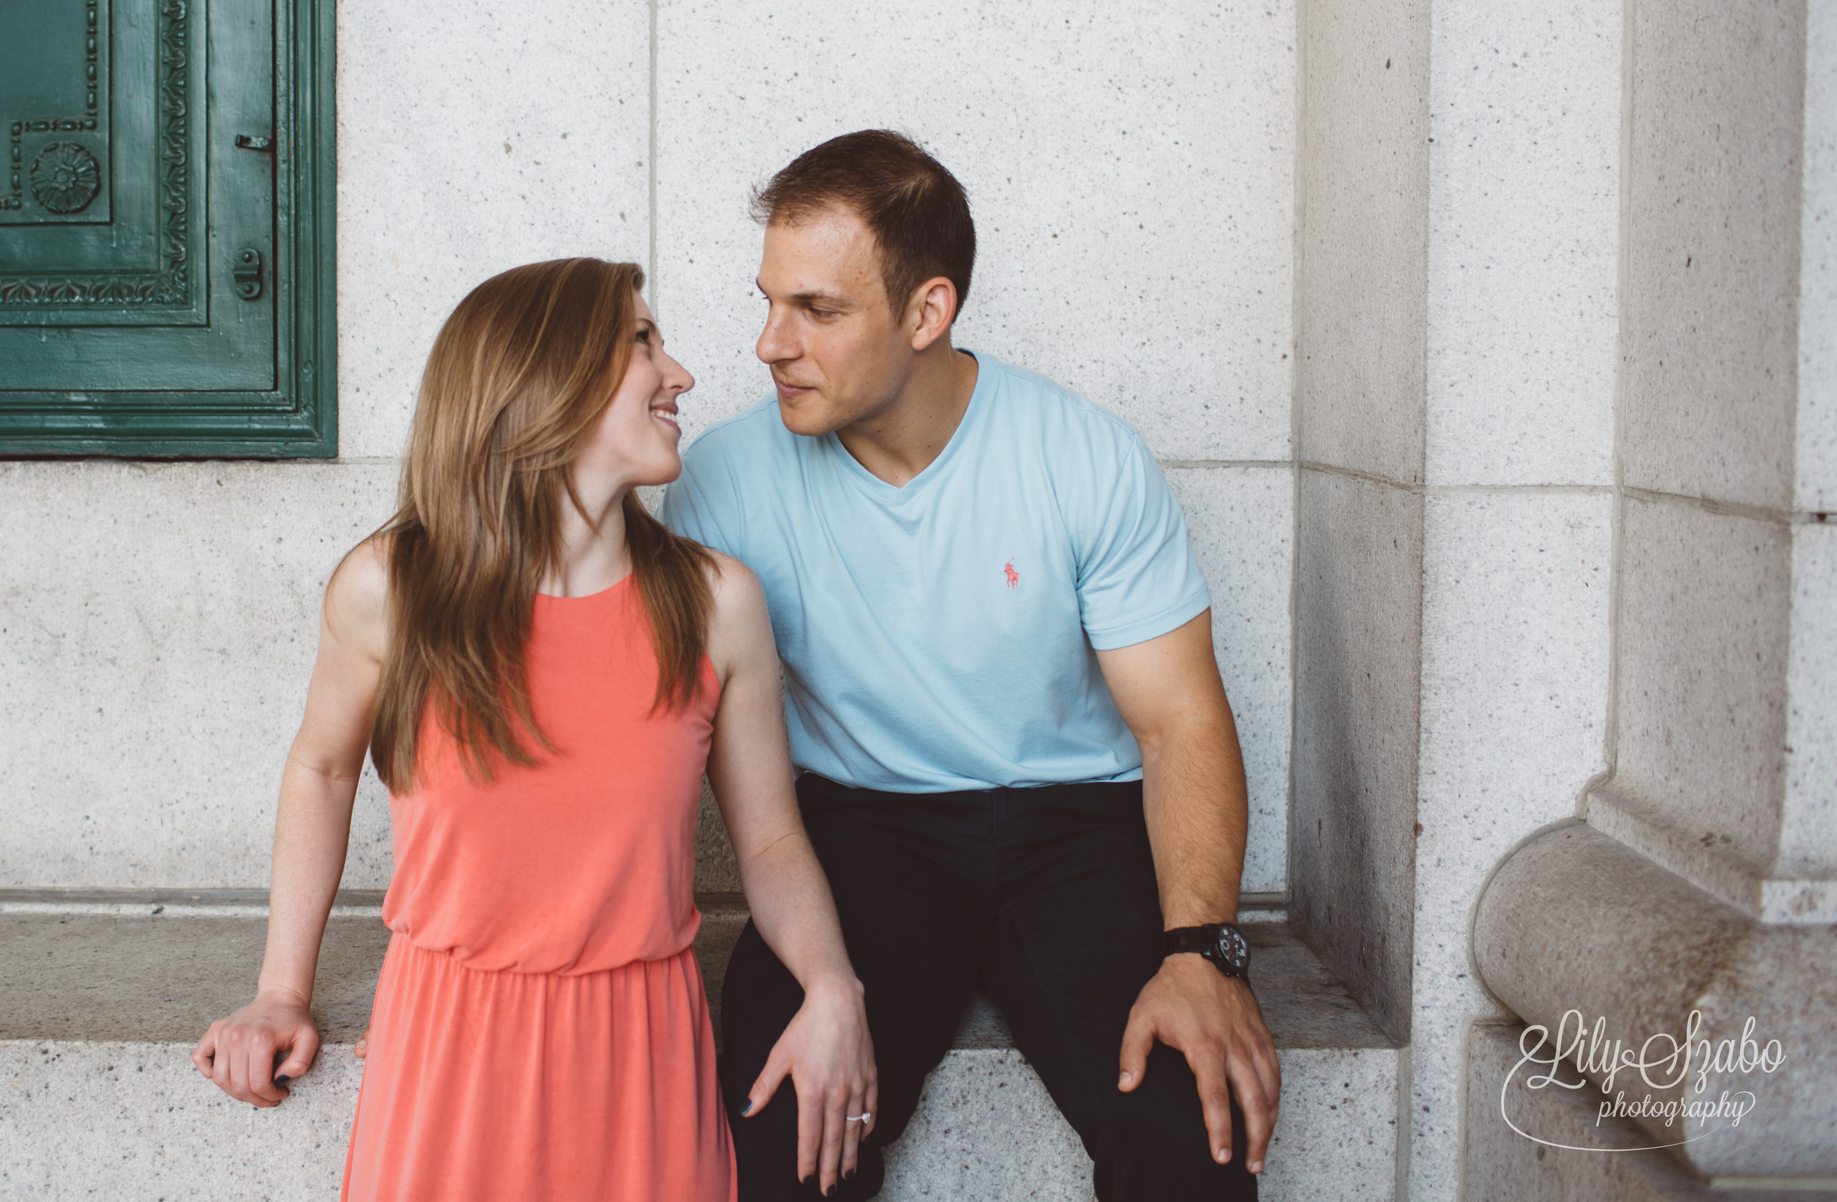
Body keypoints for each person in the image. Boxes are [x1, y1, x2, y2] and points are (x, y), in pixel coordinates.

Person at [661, 131, 1282, 1201]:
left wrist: (1201, 950)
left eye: (818, 309)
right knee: (777, 1143)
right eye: (767, 301)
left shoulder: (1082, 455)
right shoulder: (722, 480)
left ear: (926, 311)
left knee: (1193, 1137)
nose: (769, 343)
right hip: (862, 832)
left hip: (1078, 825)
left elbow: (1179, 720)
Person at [195, 258, 878, 1201]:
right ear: (545, 375)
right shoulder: (389, 590)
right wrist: (281, 990)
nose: (680, 373)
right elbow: (320, 769)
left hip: (641, 1057)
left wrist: (833, 985)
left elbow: (769, 836)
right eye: (643, 340)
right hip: (448, 1052)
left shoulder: (718, 603)